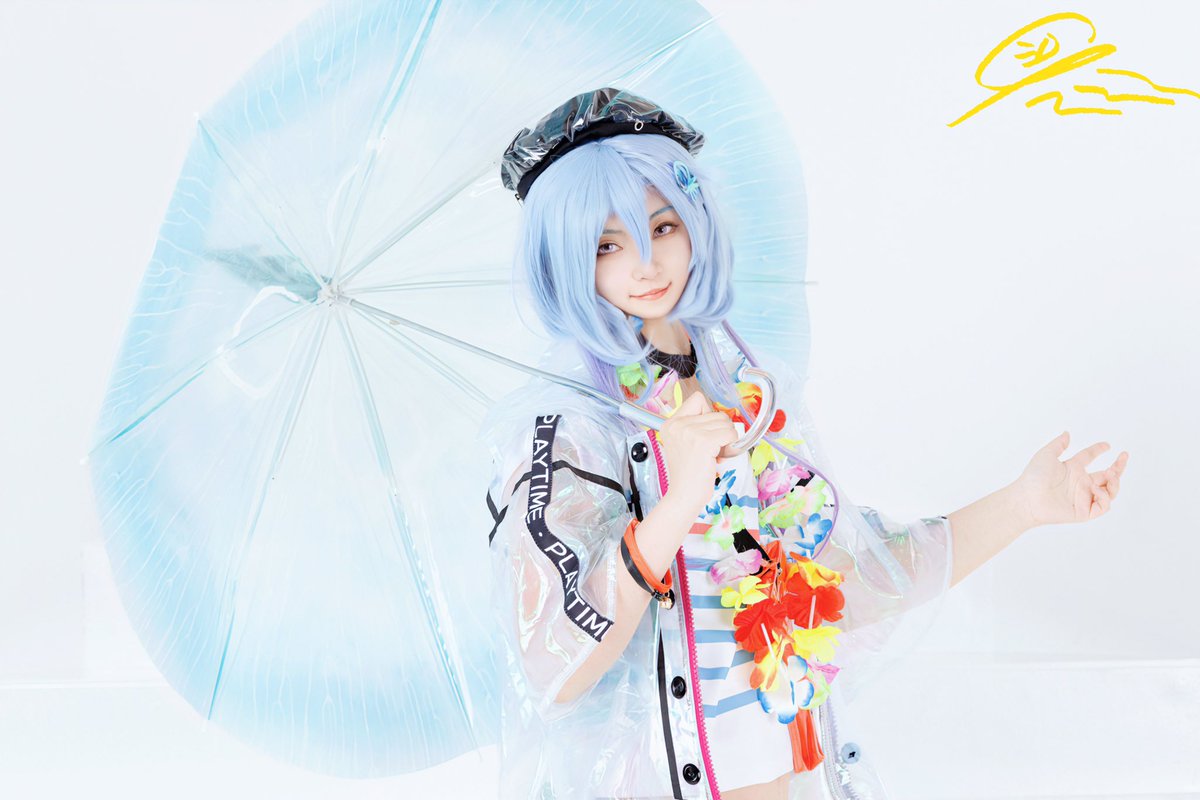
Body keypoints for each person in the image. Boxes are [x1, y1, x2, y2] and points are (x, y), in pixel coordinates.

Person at [479, 88, 1128, 800]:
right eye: (606, 245)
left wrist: (1024, 505)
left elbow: (853, 578)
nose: (645, 265)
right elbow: (555, 663)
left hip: (777, 765)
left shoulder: (749, 389)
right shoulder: (570, 423)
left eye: (662, 228)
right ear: (563, 261)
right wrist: (677, 503)